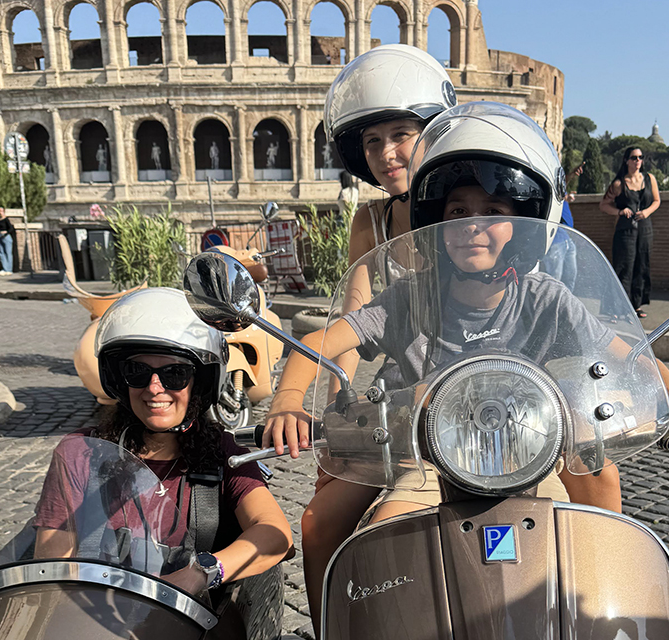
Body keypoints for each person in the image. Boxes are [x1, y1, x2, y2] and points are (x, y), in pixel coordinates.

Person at [265, 103, 669, 620]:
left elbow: (626, 352)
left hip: (532, 456)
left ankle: (600, 612)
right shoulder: (411, 299)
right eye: (458, 212)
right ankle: (338, 627)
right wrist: (287, 400)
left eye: (495, 213)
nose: (473, 226)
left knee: (599, 488)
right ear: (436, 221)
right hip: (427, 461)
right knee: (356, 536)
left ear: (523, 227)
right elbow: (321, 342)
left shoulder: (547, 298)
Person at [291, 43, 457, 637]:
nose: (387, 153)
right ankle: (332, 629)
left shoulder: (483, 208)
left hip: (493, 409)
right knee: (318, 522)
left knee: (598, 479)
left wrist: (658, 383)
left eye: (400, 133)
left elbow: (573, 310)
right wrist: (303, 393)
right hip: (402, 418)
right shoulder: (375, 220)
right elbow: (353, 315)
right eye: (372, 141)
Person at [33, 287, 292, 599]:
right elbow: (51, 565)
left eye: (174, 374)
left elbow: (275, 533)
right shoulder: (80, 453)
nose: (155, 388)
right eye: (137, 372)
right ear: (119, 379)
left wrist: (202, 572)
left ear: (200, 381)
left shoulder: (224, 454)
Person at [600, 147, 661, 319]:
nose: (638, 161)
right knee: (623, 268)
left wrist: (647, 212)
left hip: (645, 229)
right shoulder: (619, 183)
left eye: (641, 157)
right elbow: (603, 205)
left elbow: (657, 201)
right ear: (626, 160)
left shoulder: (650, 179)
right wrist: (619, 212)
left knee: (642, 266)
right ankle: (618, 309)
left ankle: (636, 306)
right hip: (625, 230)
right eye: (634, 158)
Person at [0, 207, 16, 276]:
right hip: (0, 236)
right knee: (1, 252)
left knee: (8, 253)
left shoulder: (6, 219)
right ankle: (4, 268)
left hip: (6, 237)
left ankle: (9, 269)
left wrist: (6, 233)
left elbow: (11, 228)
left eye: (2, 211)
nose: (0, 212)